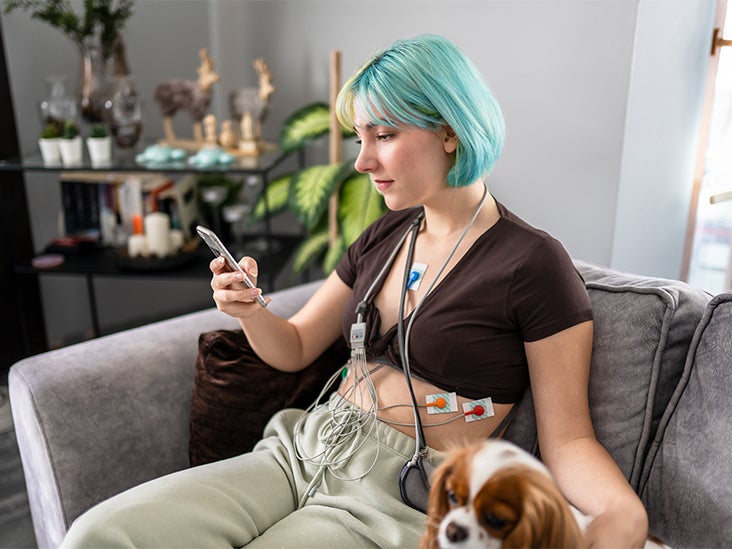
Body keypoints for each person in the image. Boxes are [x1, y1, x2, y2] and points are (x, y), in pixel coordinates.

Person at [62, 34, 649, 548]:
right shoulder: (387, 233)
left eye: (385, 135)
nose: (363, 160)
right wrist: (248, 310)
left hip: (391, 497)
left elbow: (568, 436)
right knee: (99, 535)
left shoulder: (532, 263)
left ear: (450, 131)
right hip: (301, 448)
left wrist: (622, 513)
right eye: (360, 137)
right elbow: (293, 347)